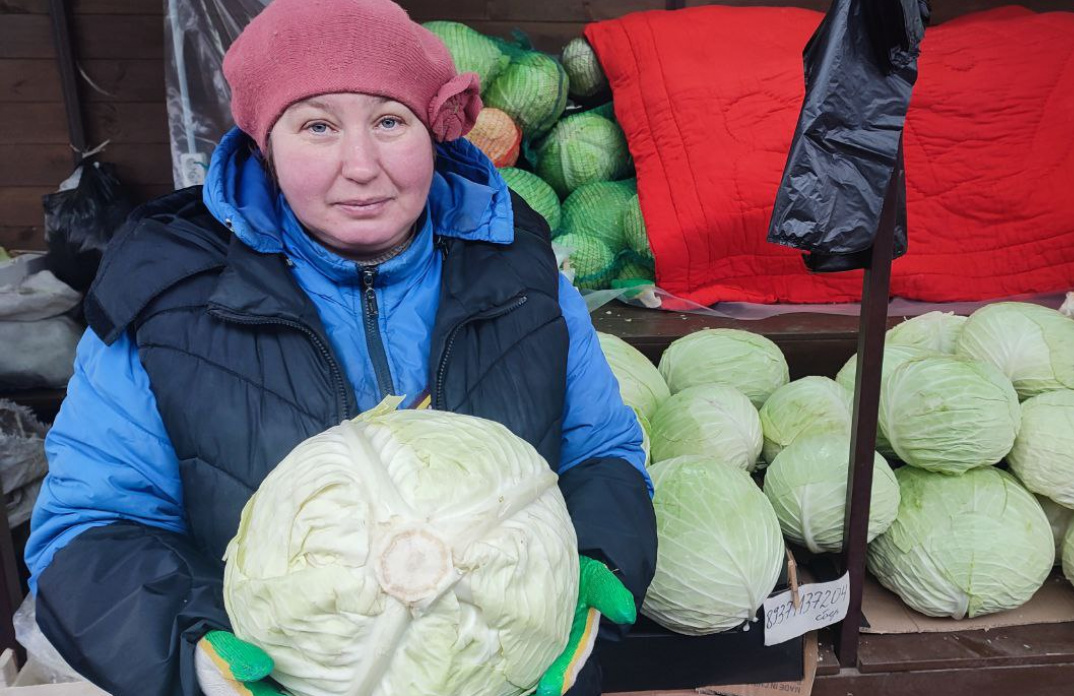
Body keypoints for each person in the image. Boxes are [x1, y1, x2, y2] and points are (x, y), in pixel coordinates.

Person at [22, 1, 656, 694]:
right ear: (264, 145)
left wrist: (595, 566)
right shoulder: (163, 295)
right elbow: (90, 531)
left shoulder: (520, 270)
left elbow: (601, 452)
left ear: (433, 133)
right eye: (318, 126)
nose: (360, 166)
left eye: (390, 122)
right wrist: (196, 658)